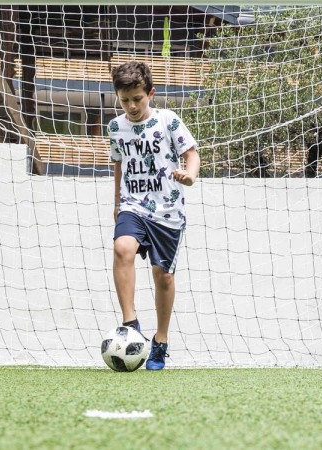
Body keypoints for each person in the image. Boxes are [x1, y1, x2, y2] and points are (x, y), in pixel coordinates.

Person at [108, 61, 200, 370]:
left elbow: (192, 153)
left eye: (138, 99)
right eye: (125, 100)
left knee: (163, 276)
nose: (132, 106)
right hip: (133, 205)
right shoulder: (115, 127)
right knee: (122, 248)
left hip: (167, 211)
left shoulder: (168, 121)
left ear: (151, 94)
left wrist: (189, 175)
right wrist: (117, 202)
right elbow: (119, 164)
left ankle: (160, 341)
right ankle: (130, 324)